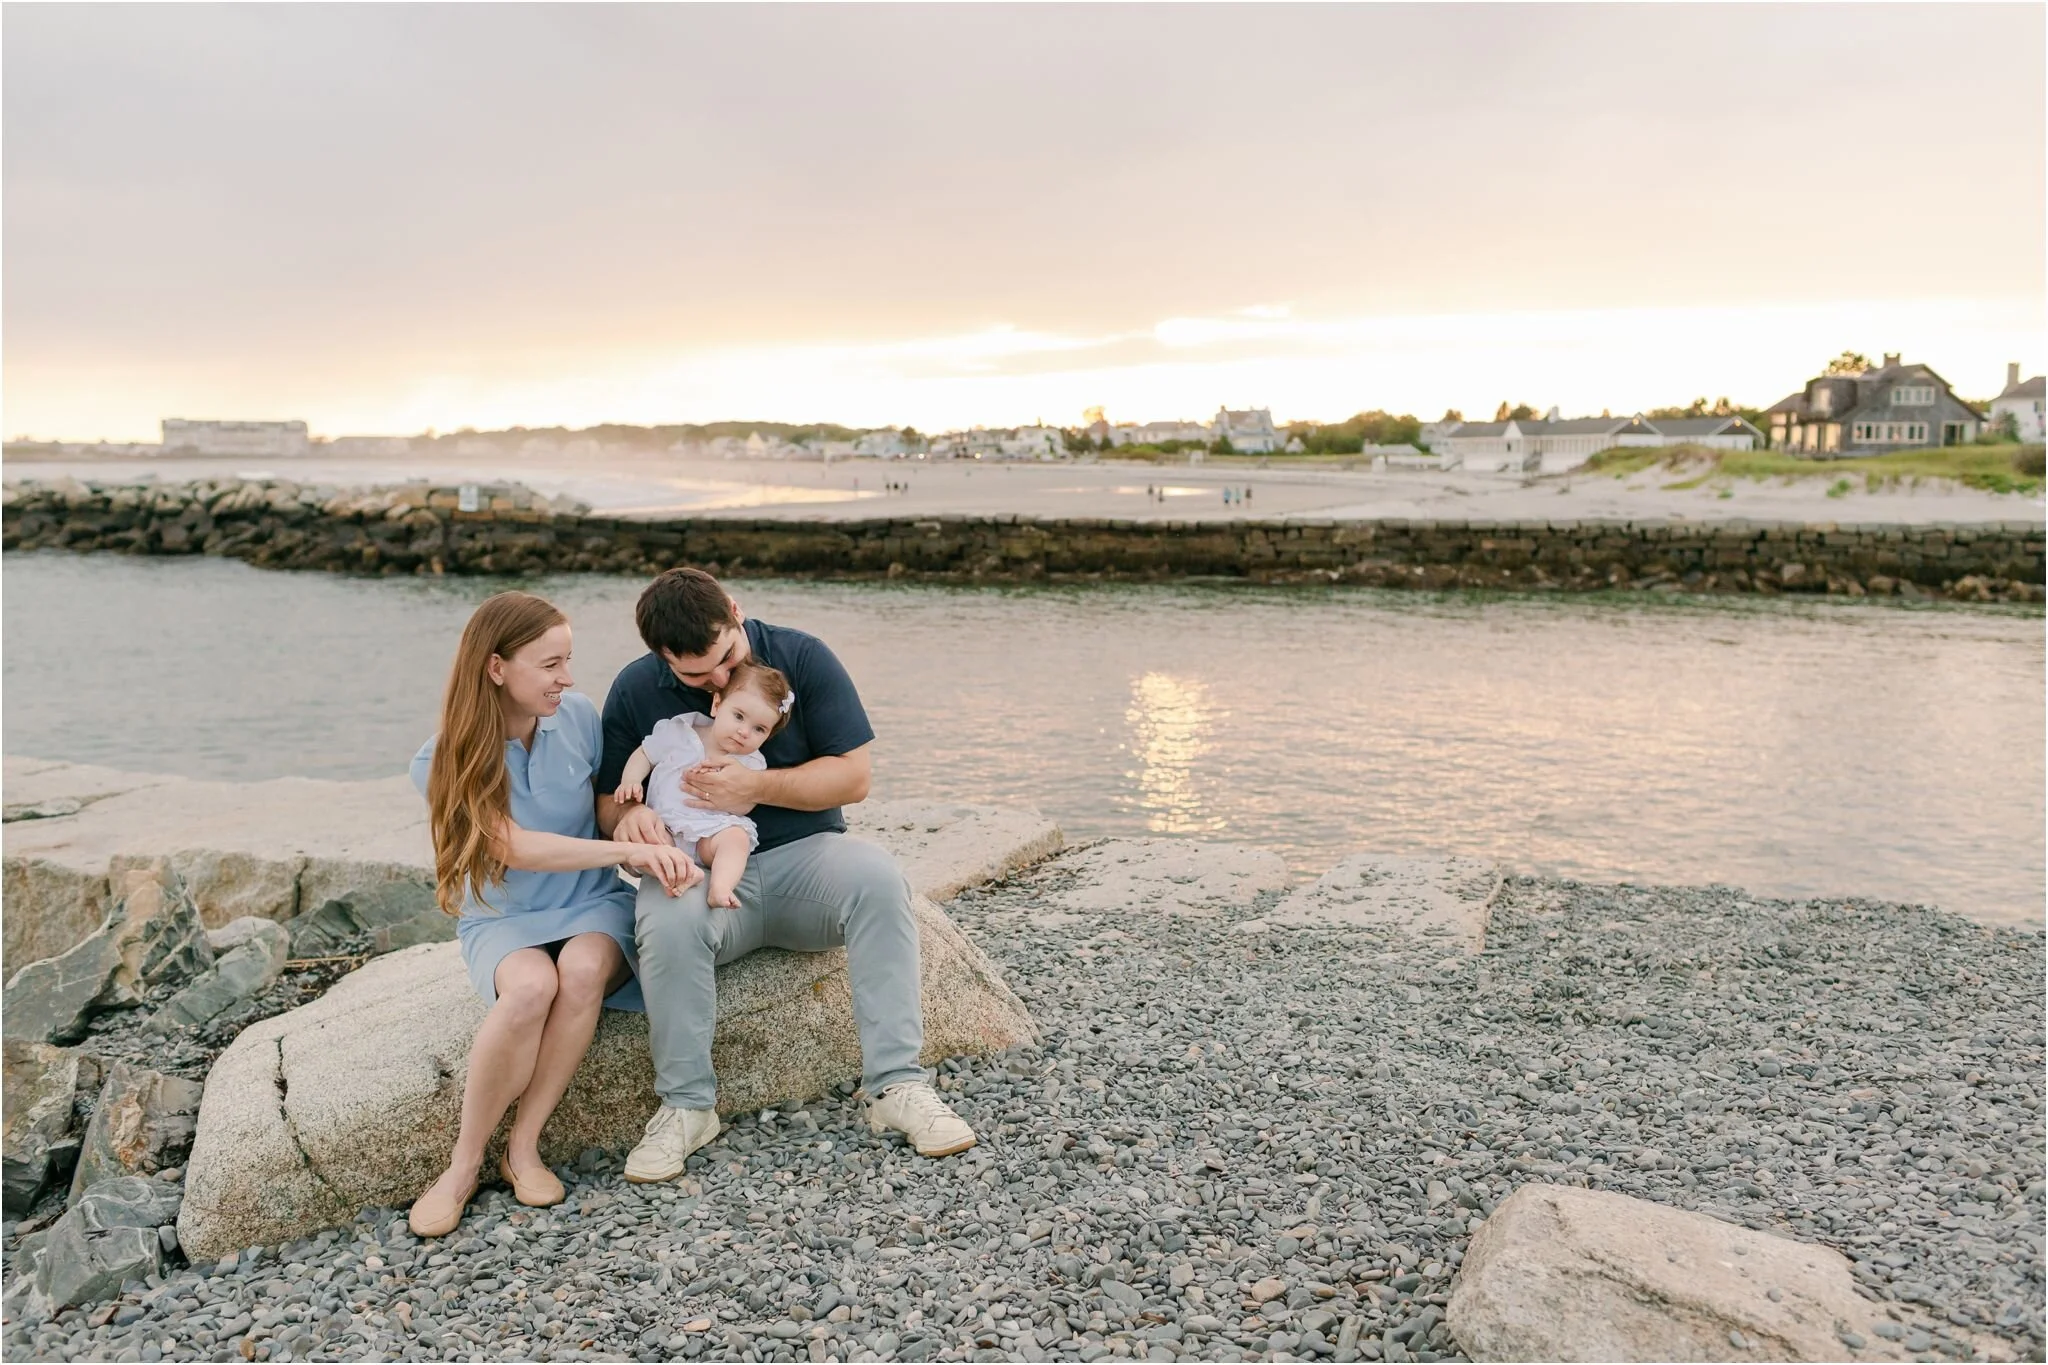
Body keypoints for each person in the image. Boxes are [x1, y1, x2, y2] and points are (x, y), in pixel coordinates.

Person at [597, 568, 977, 1179]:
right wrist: (629, 815)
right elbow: (608, 799)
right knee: (664, 920)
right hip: (698, 869)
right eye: (696, 675)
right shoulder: (637, 690)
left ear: (736, 612)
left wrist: (755, 785)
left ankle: (899, 1087)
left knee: (880, 878)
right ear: (662, 659)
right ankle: (688, 1106)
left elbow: (853, 778)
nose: (718, 681)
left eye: (726, 659)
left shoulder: (803, 656)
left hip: (808, 863)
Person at [406, 592, 701, 1238]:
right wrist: (628, 849)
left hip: (592, 901)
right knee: (531, 987)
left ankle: (524, 1146)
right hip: (505, 915)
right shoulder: (442, 757)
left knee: (584, 967)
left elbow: (608, 801)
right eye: (550, 663)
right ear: (496, 667)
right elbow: (512, 846)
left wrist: (636, 819)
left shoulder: (580, 717)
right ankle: (461, 1166)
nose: (566, 677)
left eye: (568, 660)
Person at [611, 659, 793, 910]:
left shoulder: (751, 762)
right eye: (738, 716)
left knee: (736, 838)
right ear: (717, 704)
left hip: (711, 831)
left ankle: (721, 886)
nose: (744, 732)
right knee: (643, 845)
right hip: (666, 825)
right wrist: (630, 781)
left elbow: (746, 804)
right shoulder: (680, 730)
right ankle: (683, 873)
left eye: (759, 729)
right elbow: (645, 754)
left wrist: (733, 795)